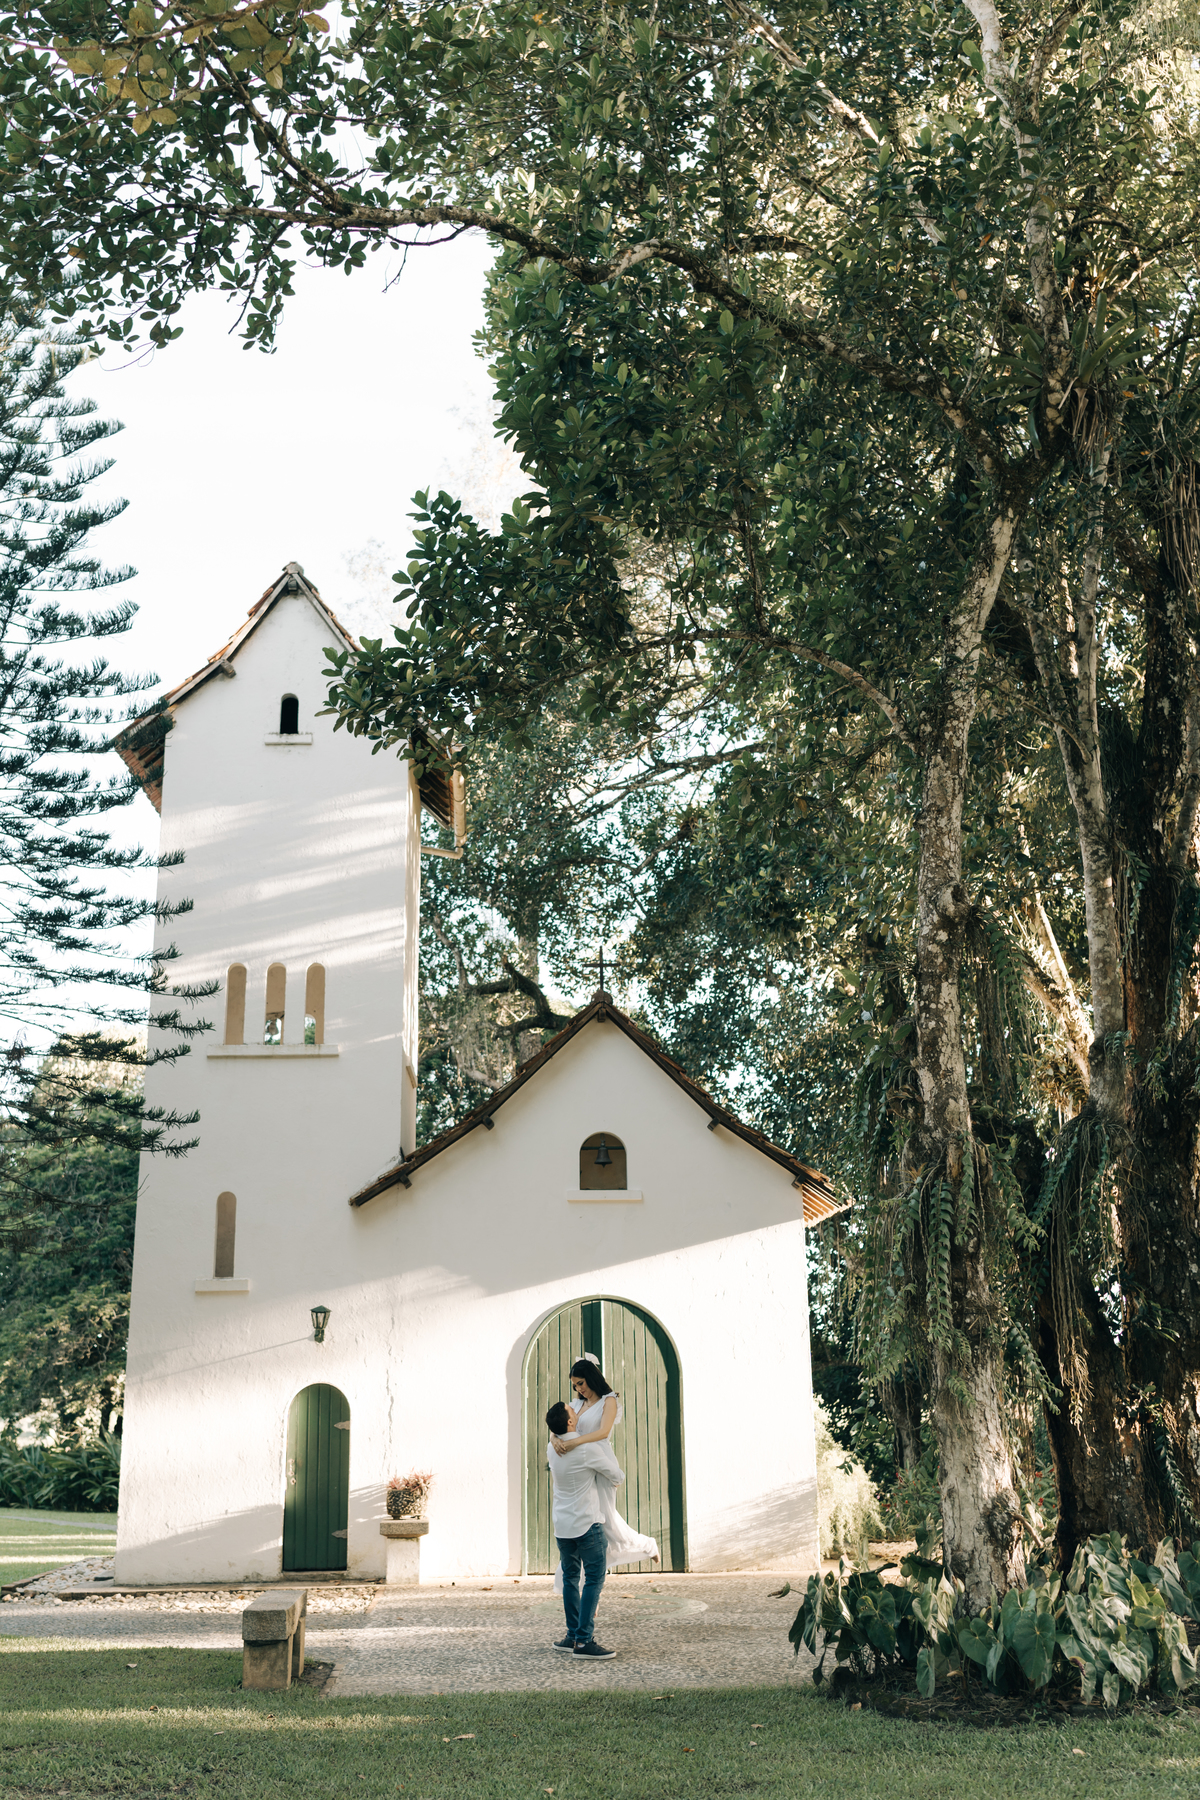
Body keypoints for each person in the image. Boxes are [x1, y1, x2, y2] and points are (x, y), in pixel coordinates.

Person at [551, 1358, 660, 1572]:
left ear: (591, 1378)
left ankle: (646, 1545)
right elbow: (559, 1426)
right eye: (574, 1385)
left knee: (606, 1521)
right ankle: (590, 1580)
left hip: (600, 1459)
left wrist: (573, 1442)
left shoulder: (608, 1400)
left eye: (581, 1383)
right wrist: (555, 1439)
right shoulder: (575, 1404)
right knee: (585, 1521)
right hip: (581, 1463)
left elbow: (602, 1432)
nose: (578, 1389)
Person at [544, 1399, 618, 1658]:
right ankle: (584, 1642)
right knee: (595, 1579)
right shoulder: (587, 1450)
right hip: (587, 1523)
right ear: (570, 1422)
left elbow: (556, 1435)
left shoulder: (552, 1448)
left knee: (570, 1579)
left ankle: (572, 1635)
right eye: (572, 1410)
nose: (576, 1408)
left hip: (562, 1525)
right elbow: (617, 1475)